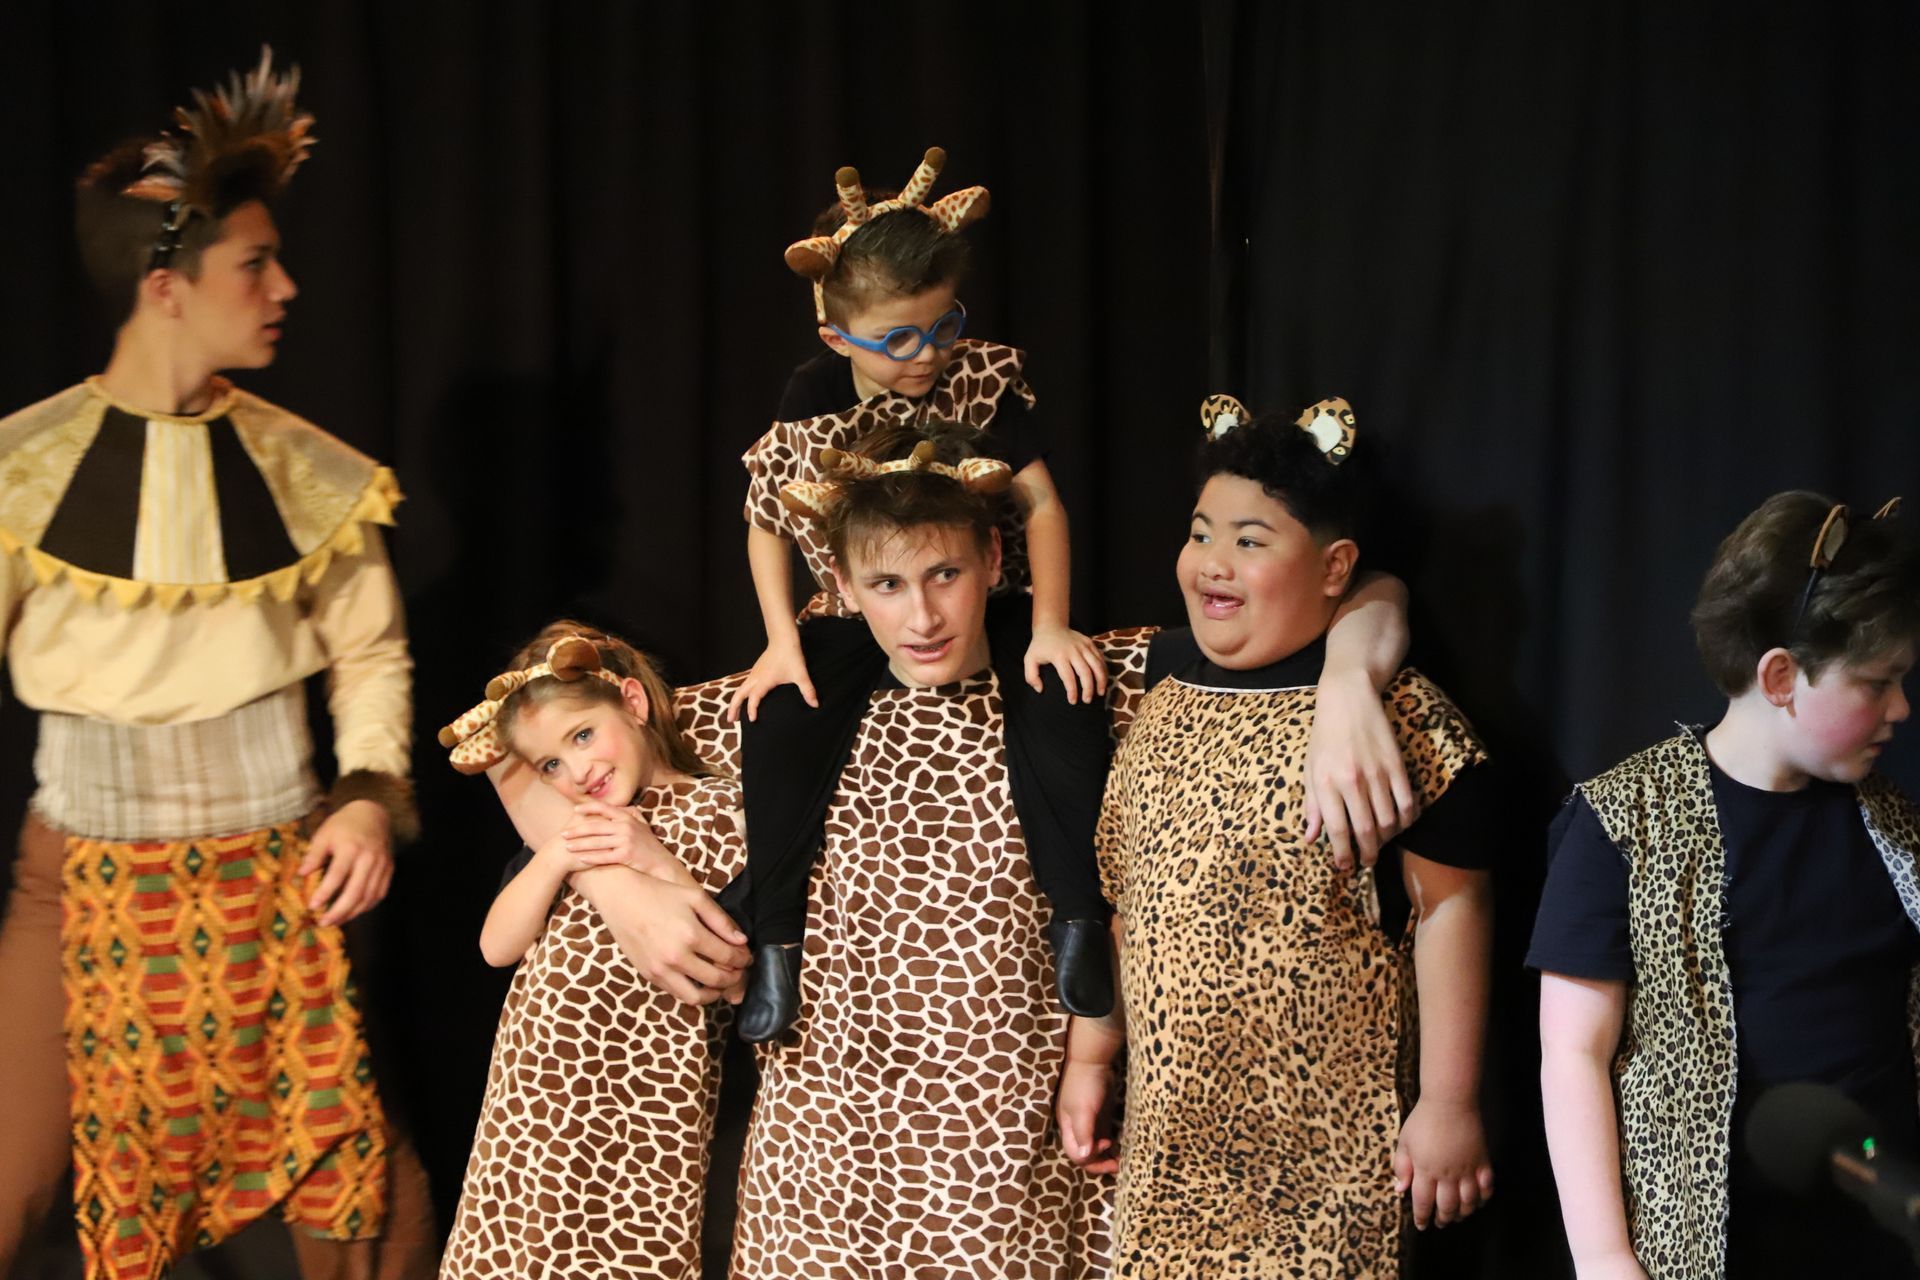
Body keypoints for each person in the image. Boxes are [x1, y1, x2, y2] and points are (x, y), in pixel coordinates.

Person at [729, 147, 1416, 1041]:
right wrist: (783, 638)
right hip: (865, 600)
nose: (927, 355)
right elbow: (765, 519)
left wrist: (1048, 625)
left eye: (943, 327)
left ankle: (1078, 920)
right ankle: (776, 938)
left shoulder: (976, 376)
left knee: (1059, 702)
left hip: (988, 591)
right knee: (781, 715)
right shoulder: (810, 396)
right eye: (900, 339)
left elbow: (1041, 505)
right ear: (838, 338)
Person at [0, 50, 434, 1280]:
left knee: (366, 1210)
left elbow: (371, 655)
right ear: (164, 284)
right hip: (81, 874)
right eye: (255, 262)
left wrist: (365, 795)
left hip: (272, 878)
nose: (286, 284)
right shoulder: (20, 472)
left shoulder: (311, 471)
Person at [1057, 395, 1497, 1276]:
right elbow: (1123, 901)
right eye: (1201, 532)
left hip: (1330, 1150)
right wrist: (1092, 1053)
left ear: (1334, 567)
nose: (1213, 563)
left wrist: (1450, 1101)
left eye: (1251, 541)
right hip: (1172, 1140)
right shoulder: (1155, 684)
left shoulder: (1400, 716)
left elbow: (1454, 904)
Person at [1531, 492, 1920, 1279]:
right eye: (1877, 683)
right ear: (1780, 675)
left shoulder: (1895, 829)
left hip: (1876, 1239)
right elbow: (1572, 1051)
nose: (1902, 709)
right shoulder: (1623, 822)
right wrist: (1605, 1258)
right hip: (1713, 1247)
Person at [437, 625, 744, 1280]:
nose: (577, 772)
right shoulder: (568, 839)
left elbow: (725, 951)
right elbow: (496, 947)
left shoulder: (718, 808)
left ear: (633, 702)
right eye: (550, 765)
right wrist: (557, 857)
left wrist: (654, 861)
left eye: (582, 737)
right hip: (527, 1113)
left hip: (632, 1118)